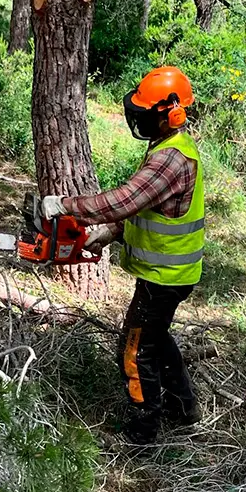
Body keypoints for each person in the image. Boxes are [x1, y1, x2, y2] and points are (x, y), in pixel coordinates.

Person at [41, 66, 205, 445]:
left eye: (147, 112)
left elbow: (125, 199)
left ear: (172, 113)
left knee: (134, 348)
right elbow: (148, 208)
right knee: (157, 336)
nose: (140, 118)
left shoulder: (171, 159)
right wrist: (110, 233)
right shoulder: (170, 147)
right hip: (170, 273)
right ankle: (185, 407)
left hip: (165, 276)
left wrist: (63, 205)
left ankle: (143, 431)